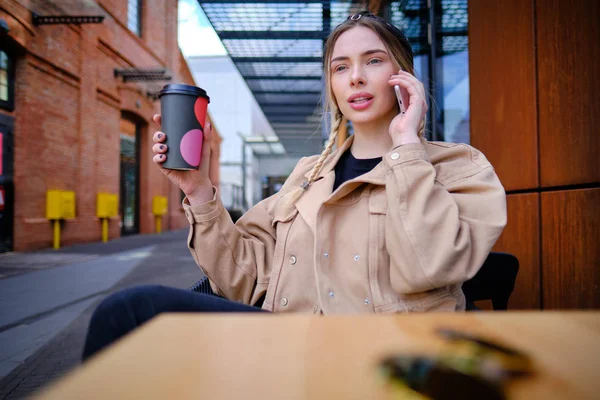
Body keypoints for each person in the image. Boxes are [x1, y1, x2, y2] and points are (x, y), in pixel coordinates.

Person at [82, 11, 506, 361]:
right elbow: (243, 281)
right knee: (130, 313)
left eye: (373, 61)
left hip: (387, 356)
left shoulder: (457, 167)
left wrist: (407, 147)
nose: (355, 77)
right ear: (333, 87)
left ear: (403, 76)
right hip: (287, 348)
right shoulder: (308, 175)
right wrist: (197, 189)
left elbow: (428, 265)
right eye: (341, 68)